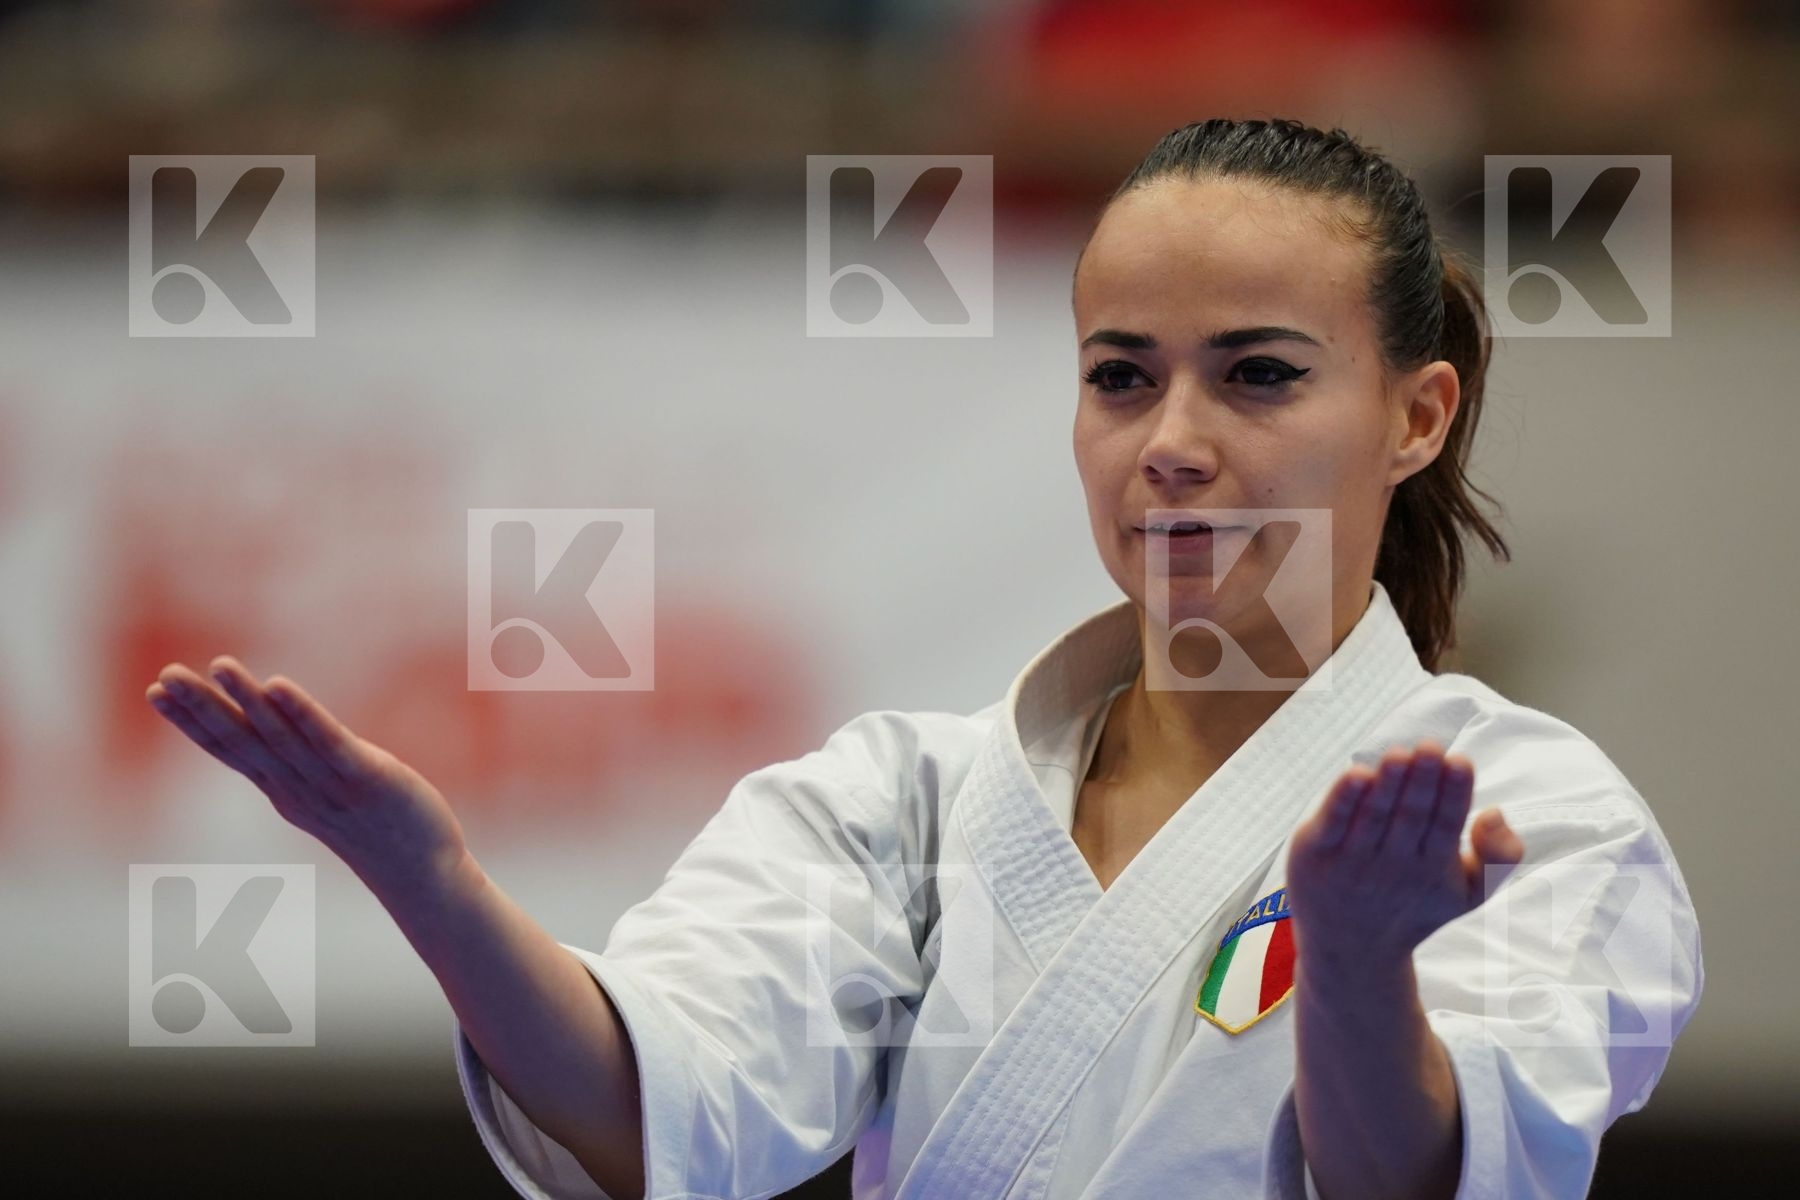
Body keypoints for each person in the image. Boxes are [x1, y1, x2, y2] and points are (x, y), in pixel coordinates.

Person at [145, 118, 1703, 1200]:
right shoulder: (905, 799)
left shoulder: (1534, 813)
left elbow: (1421, 1184)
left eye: (1259, 376)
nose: (1172, 444)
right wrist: (438, 893)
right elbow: (663, 1116)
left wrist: (1362, 971)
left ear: (1415, 418)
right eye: (1120, 376)